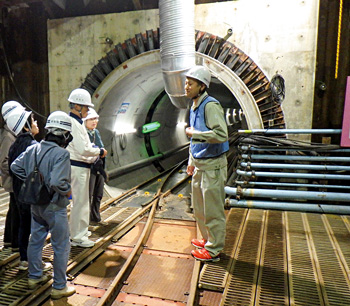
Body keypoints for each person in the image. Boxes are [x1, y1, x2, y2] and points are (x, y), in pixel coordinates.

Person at [11, 111, 76, 299]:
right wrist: (67, 191)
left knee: (36, 240)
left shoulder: (33, 148)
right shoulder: (62, 154)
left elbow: (15, 167)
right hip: (55, 206)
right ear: (64, 134)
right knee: (61, 245)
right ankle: (59, 287)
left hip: (36, 205)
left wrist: (33, 184)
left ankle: (34, 276)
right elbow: (57, 182)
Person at [184, 65, 229, 262]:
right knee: (200, 208)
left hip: (213, 166)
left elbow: (221, 134)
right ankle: (207, 239)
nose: (186, 87)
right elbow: (194, 141)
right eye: (186, 83)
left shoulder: (210, 105)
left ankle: (214, 249)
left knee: (213, 210)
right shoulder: (194, 106)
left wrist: (196, 134)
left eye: (190, 84)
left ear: (202, 86)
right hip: (200, 165)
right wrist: (191, 161)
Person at [7, 108, 51, 271]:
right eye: (33, 121)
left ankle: (24, 260)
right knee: (37, 230)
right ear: (26, 127)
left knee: (24, 227)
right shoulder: (34, 146)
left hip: (19, 194)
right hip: (34, 196)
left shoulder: (13, 146)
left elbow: (12, 170)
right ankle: (35, 263)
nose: (36, 123)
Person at [66, 88, 107, 247]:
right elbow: (83, 149)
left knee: (80, 202)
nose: (87, 111)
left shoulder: (76, 122)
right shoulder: (75, 124)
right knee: (80, 203)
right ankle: (78, 236)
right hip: (78, 167)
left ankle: (79, 231)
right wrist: (99, 151)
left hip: (80, 166)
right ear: (77, 106)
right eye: (85, 107)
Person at [1, 101, 25, 251]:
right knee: (16, 211)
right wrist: (18, 171)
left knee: (13, 210)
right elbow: (3, 162)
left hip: (13, 179)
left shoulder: (11, 135)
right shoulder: (8, 137)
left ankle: (10, 240)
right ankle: (14, 242)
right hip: (12, 180)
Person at [83, 108, 107, 225]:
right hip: (88, 168)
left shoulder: (95, 132)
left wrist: (99, 151)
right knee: (88, 194)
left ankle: (95, 216)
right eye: (91, 119)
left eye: (96, 119)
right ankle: (85, 221)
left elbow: (101, 148)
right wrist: (98, 150)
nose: (94, 121)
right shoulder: (83, 133)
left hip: (98, 166)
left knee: (98, 193)